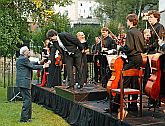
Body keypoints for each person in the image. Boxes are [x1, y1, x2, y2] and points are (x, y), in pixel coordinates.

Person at [112, 13, 145, 113]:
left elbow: (129, 48)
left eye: (127, 21)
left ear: (130, 21)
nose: (126, 22)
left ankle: (115, 106)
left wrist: (120, 48)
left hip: (132, 59)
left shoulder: (130, 32)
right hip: (139, 58)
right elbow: (142, 46)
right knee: (134, 82)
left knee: (123, 81)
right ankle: (133, 106)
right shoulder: (139, 32)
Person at [16, 46, 48, 122]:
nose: (29, 51)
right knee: (27, 100)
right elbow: (32, 66)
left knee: (28, 99)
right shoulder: (23, 59)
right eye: (28, 51)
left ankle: (27, 117)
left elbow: (30, 63)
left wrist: (40, 62)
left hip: (23, 82)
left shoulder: (21, 58)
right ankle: (24, 119)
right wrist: (43, 66)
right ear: (24, 52)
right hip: (24, 82)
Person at [144, 10, 165, 108]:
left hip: (156, 54)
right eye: (149, 17)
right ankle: (151, 96)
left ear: (157, 18)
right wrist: (147, 39)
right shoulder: (150, 28)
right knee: (149, 76)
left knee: (156, 77)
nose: (149, 19)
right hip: (150, 54)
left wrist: (149, 47)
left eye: (151, 17)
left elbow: (158, 42)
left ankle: (155, 98)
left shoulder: (160, 27)